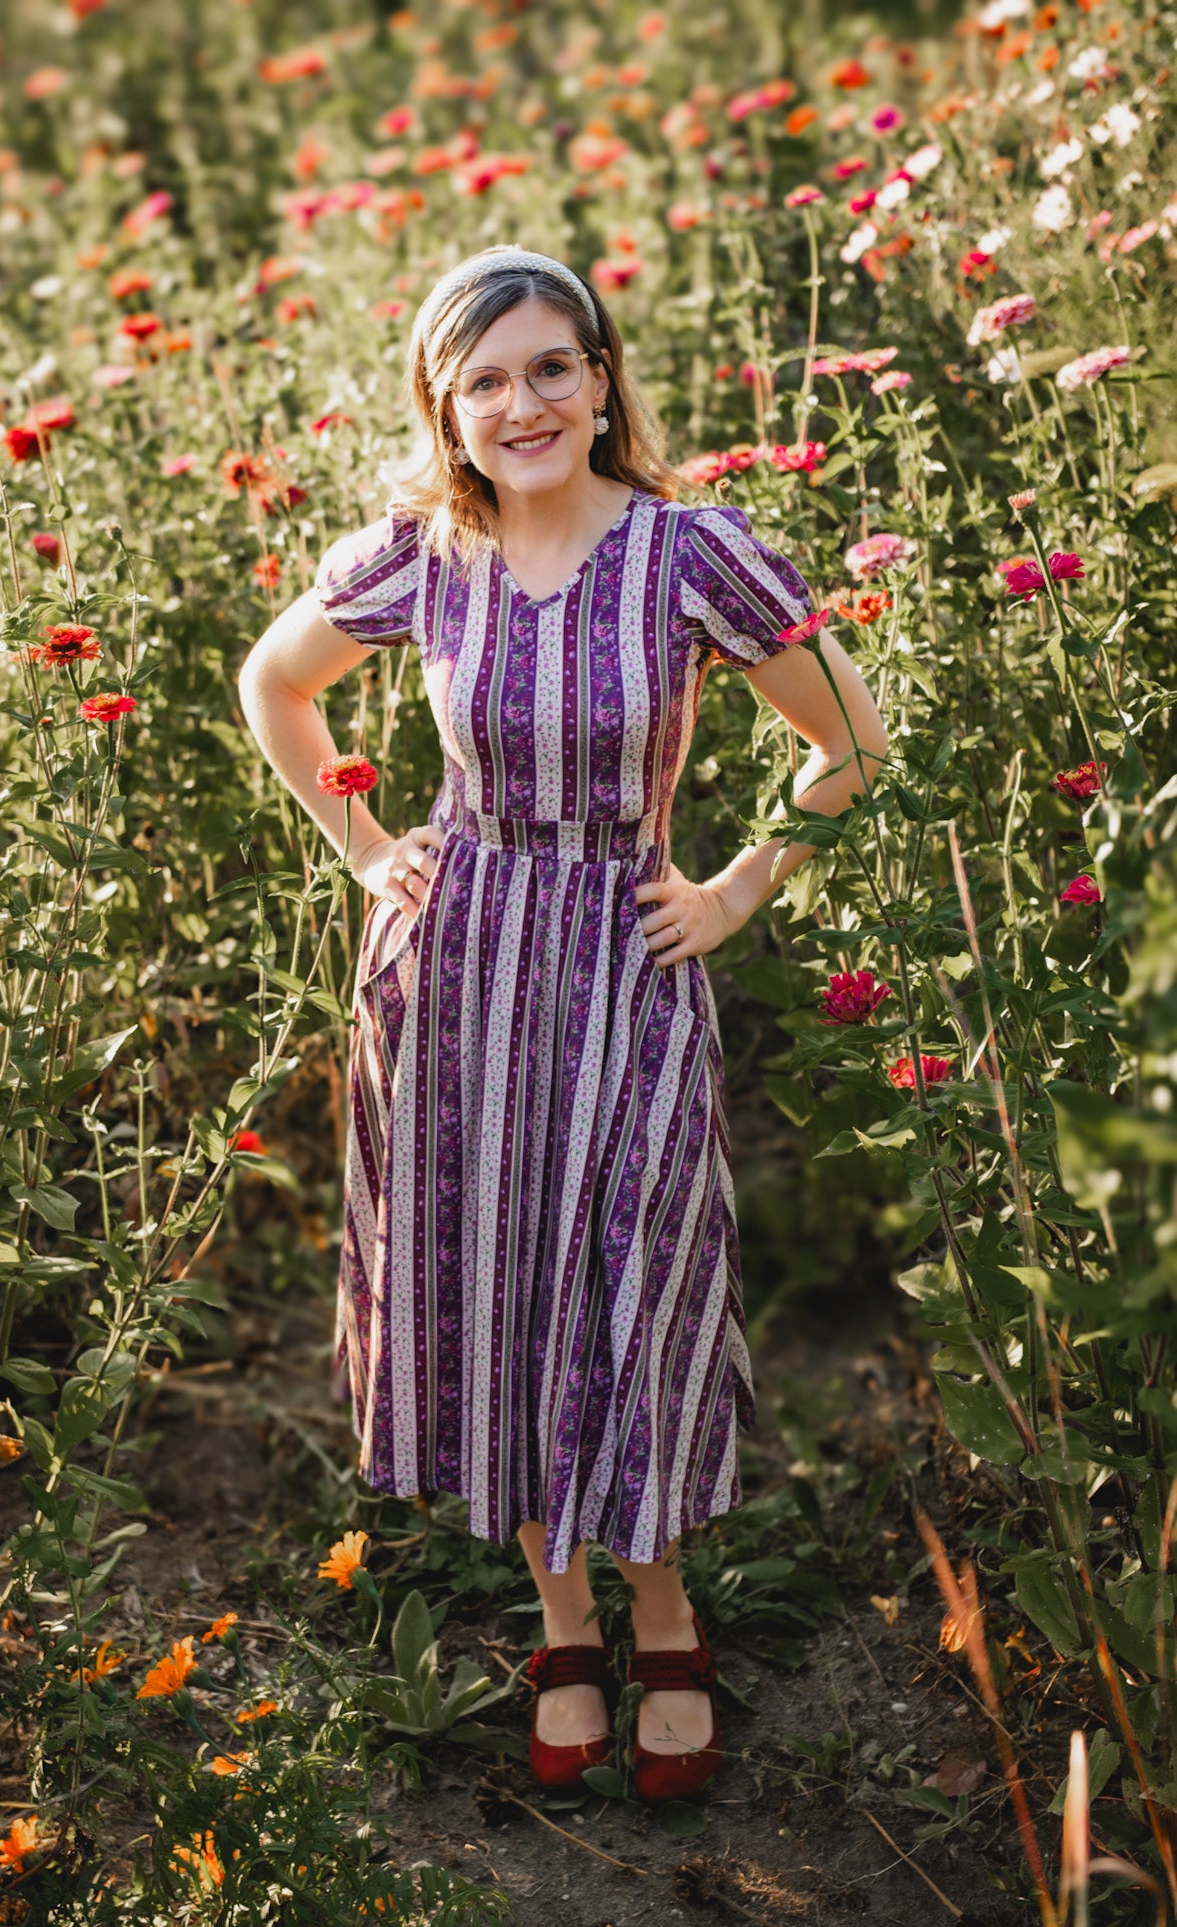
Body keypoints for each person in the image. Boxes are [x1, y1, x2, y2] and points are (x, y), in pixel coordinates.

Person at [237, 243, 887, 1802]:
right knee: (496, 1296)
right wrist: (367, 850)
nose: (520, 403)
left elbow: (858, 740)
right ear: (445, 409)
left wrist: (736, 890)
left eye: (549, 368)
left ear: (601, 382)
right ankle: (565, 1618)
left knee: (641, 1290)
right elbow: (277, 685)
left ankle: (667, 1611)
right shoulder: (421, 555)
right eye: (484, 380)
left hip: (624, 959)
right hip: (457, 973)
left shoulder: (689, 554)